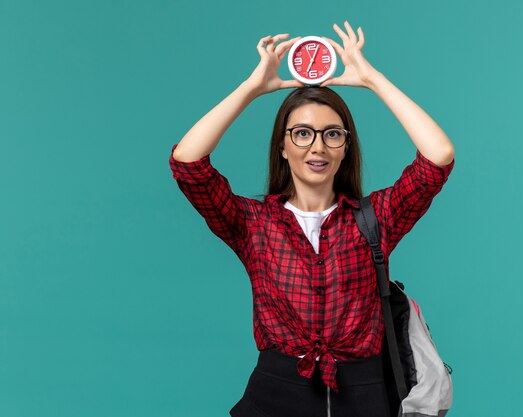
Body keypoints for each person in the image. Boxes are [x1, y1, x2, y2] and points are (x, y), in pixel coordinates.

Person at [169, 21, 455, 417]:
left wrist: (372, 80)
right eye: (302, 133)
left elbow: (437, 157)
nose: (317, 146)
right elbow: (188, 163)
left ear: (345, 147)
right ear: (283, 146)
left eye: (331, 134)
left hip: (365, 396)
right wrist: (252, 89)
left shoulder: (376, 219)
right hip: (276, 394)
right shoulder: (253, 223)